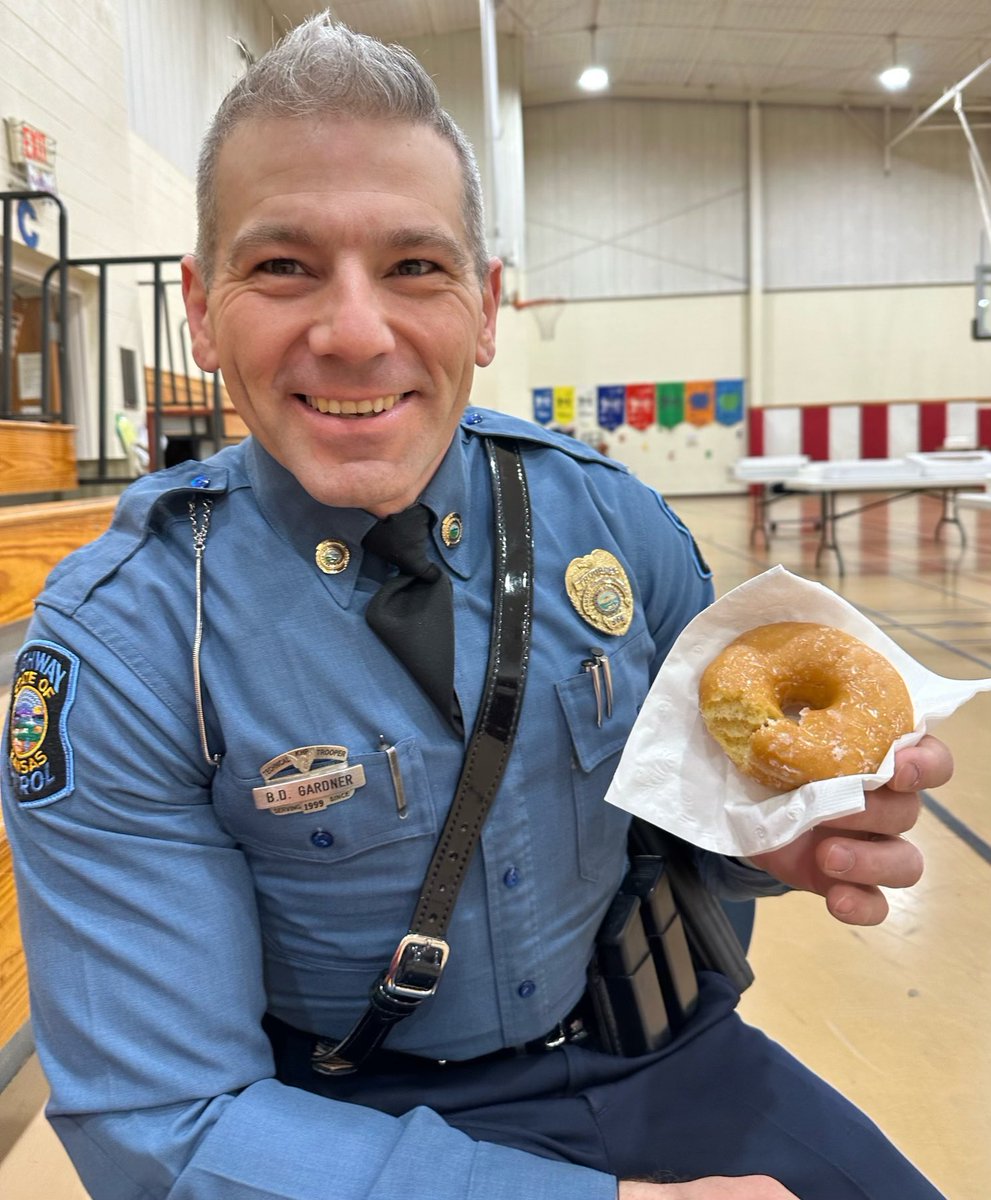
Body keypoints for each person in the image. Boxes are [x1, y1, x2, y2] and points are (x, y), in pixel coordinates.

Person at [1, 14, 953, 1200]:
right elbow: (164, 1124)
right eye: (283, 265)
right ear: (199, 307)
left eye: (415, 267)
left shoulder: (613, 529)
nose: (355, 333)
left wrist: (771, 841)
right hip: (338, 1130)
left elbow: (699, 820)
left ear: (489, 305)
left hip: (663, 1055)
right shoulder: (128, 650)